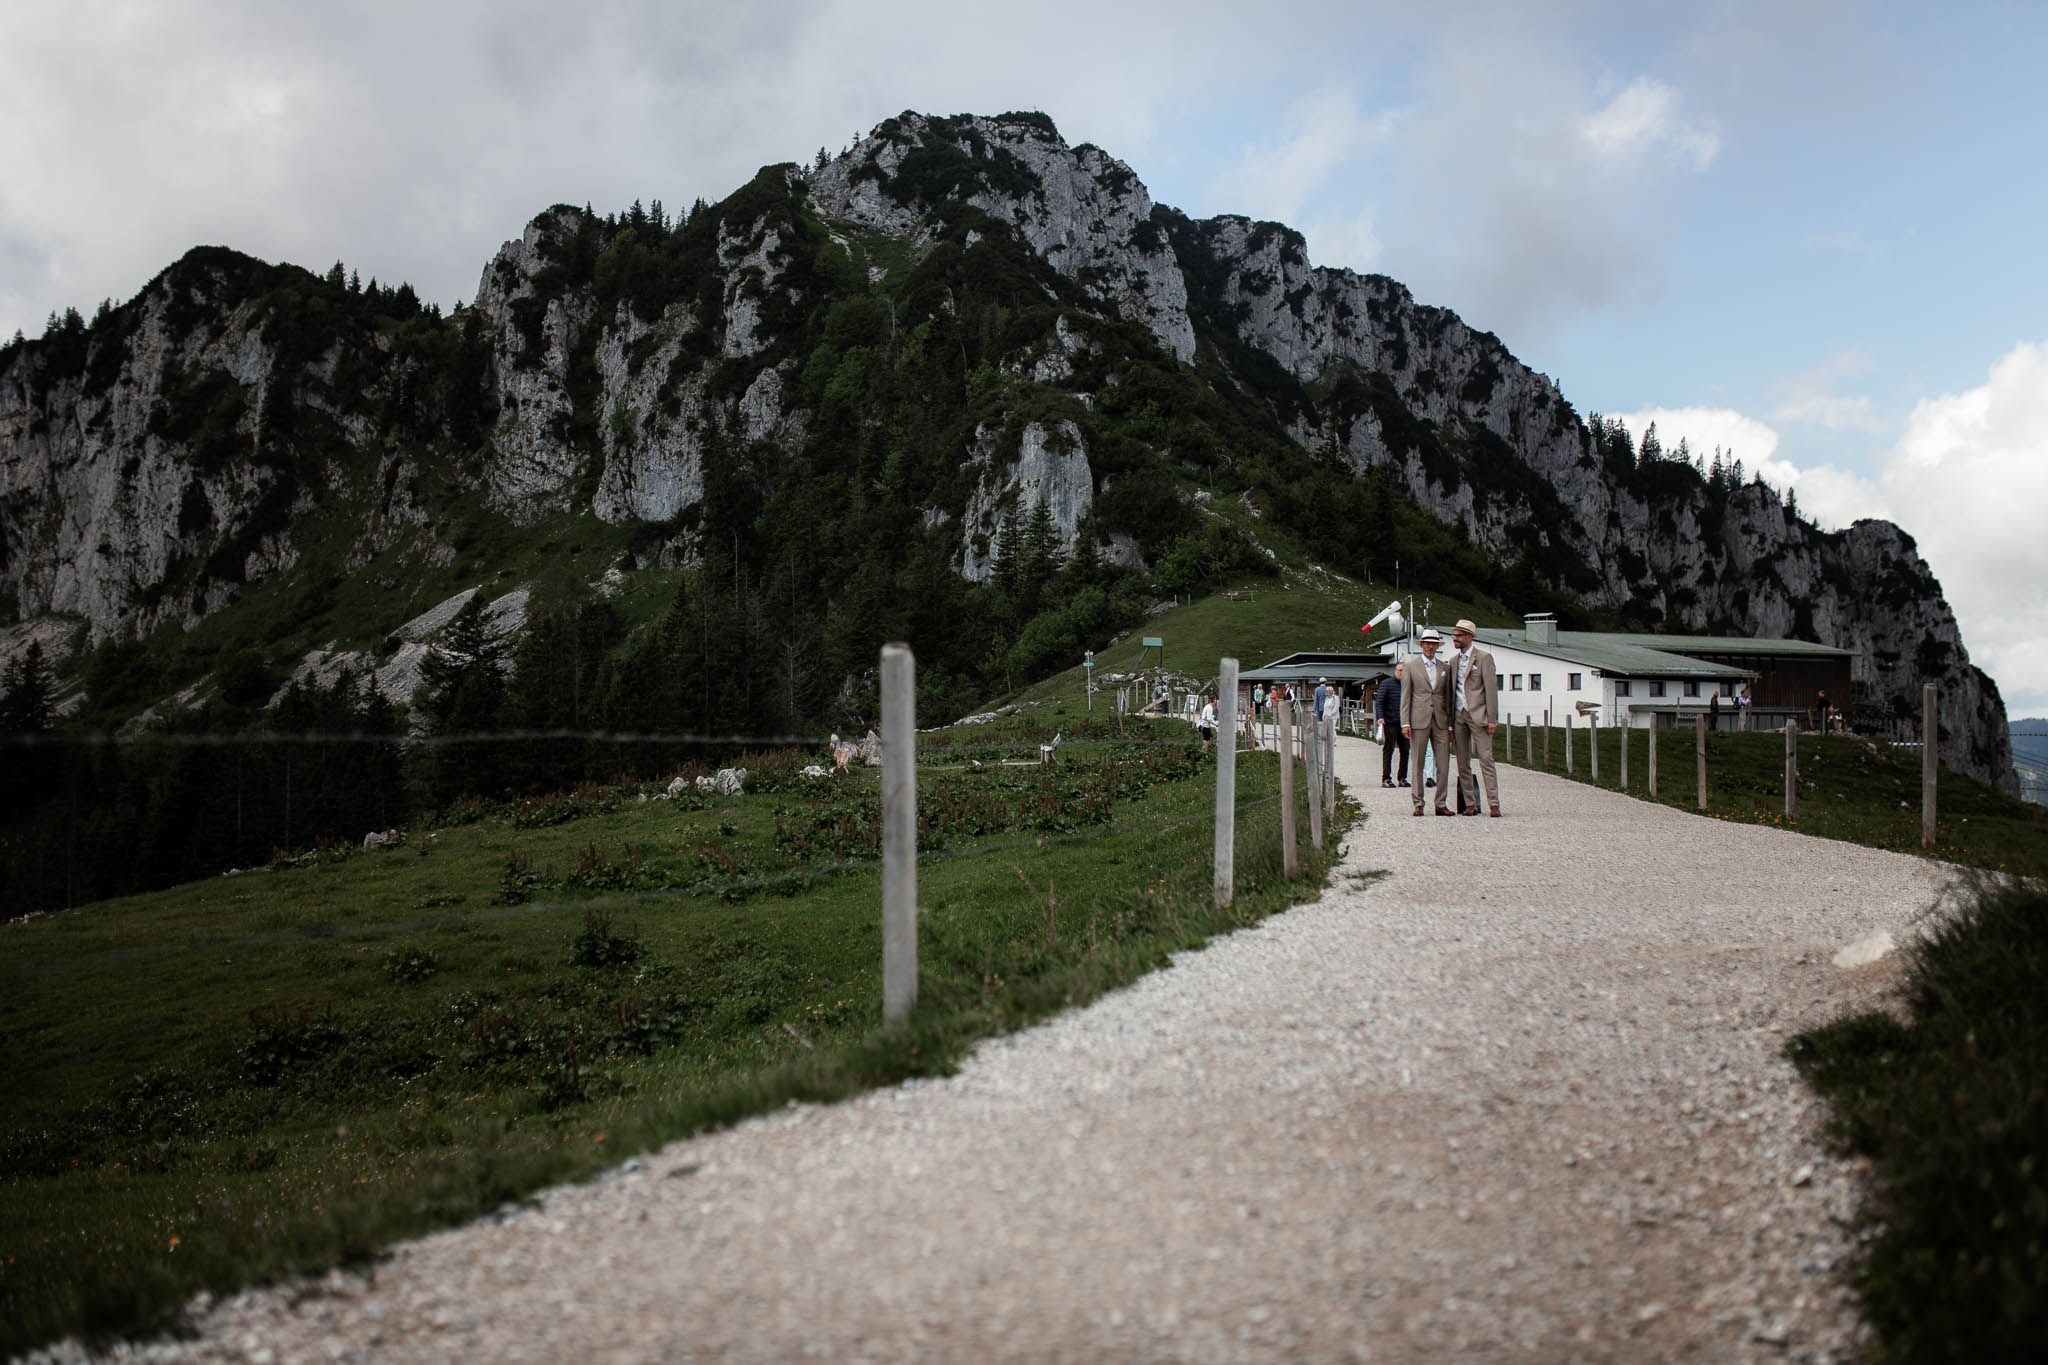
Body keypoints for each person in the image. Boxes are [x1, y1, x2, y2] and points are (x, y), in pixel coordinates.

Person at [1448, 619, 1502, 817]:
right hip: (1458, 715)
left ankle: (1494, 803)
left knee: (1486, 759)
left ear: (1469, 637)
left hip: (1479, 714)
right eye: (1454, 635)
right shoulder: (1453, 662)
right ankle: (1470, 803)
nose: (1455, 638)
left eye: (1459, 635)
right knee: (1462, 761)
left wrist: (1492, 719)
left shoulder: (1484, 658)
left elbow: (1491, 690)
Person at [1399, 629, 1455, 816]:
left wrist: (1450, 725)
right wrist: (1405, 722)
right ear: (1421, 645)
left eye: (1434, 643)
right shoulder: (1410, 667)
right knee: (1418, 763)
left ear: (1438, 646)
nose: (1430, 646)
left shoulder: (1445, 669)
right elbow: (1405, 697)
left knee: (1444, 764)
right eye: (1427, 643)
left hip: (1440, 720)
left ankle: (1441, 803)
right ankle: (1418, 803)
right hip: (1418, 719)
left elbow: (1448, 698)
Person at [1373, 671, 1407, 788]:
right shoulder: (1387, 683)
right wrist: (1380, 716)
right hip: (1390, 722)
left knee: (1405, 751)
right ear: (1395, 671)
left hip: (1405, 723)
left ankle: (1402, 778)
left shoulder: (1408, 683)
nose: (1402, 673)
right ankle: (1386, 778)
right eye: (1399, 670)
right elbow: (1379, 701)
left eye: (1404, 670)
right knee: (1389, 750)